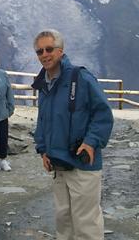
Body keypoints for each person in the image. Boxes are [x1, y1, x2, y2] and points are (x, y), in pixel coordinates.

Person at [31, 29, 113, 240]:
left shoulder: (80, 77)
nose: (44, 55)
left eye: (49, 49)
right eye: (40, 51)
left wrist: (91, 142)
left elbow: (103, 113)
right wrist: (42, 150)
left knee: (86, 223)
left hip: (82, 163)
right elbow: (43, 121)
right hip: (58, 164)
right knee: (64, 220)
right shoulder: (44, 84)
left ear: (60, 50)